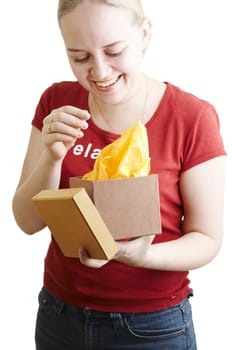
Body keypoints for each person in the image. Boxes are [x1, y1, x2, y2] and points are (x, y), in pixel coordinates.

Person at [12, 0, 226, 349]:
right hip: (59, 315)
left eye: (114, 51)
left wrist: (139, 256)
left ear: (144, 35)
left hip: (153, 326)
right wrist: (52, 158)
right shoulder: (58, 103)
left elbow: (206, 238)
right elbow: (27, 221)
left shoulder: (192, 117)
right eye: (79, 57)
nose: (99, 71)